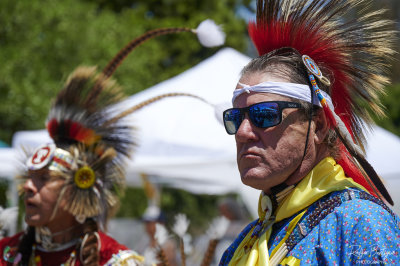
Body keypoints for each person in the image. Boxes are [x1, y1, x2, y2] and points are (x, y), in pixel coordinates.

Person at [0, 20, 224, 265]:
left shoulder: (115, 261)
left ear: (78, 190)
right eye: (30, 176)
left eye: (43, 178)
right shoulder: (6, 254)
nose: (28, 187)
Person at [219, 0, 400, 265]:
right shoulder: (244, 243)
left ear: (318, 125)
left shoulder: (359, 222)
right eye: (236, 118)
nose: (244, 132)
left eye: (265, 115)